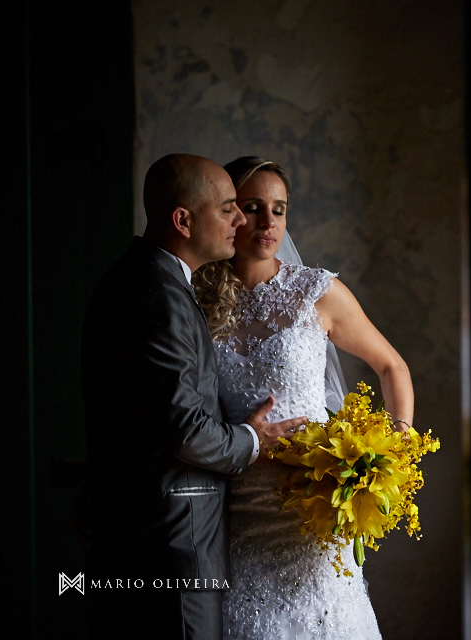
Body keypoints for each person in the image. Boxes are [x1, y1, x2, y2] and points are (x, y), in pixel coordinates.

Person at [81, 154, 309, 640]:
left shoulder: (143, 279)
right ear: (182, 220)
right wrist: (254, 440)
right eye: (229, 208)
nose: (242, 221)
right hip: (173, 539)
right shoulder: (159, 295)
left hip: (151, 530)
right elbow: (183, 429)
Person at [193, 156, 414, 638]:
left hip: (312, 513)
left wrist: (391, 456)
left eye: (279, 208)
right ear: (230, 213)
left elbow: (391, 366)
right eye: (252, 207)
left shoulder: (316, 292)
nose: (268, 222)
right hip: (239, 515)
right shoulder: (195, 301)